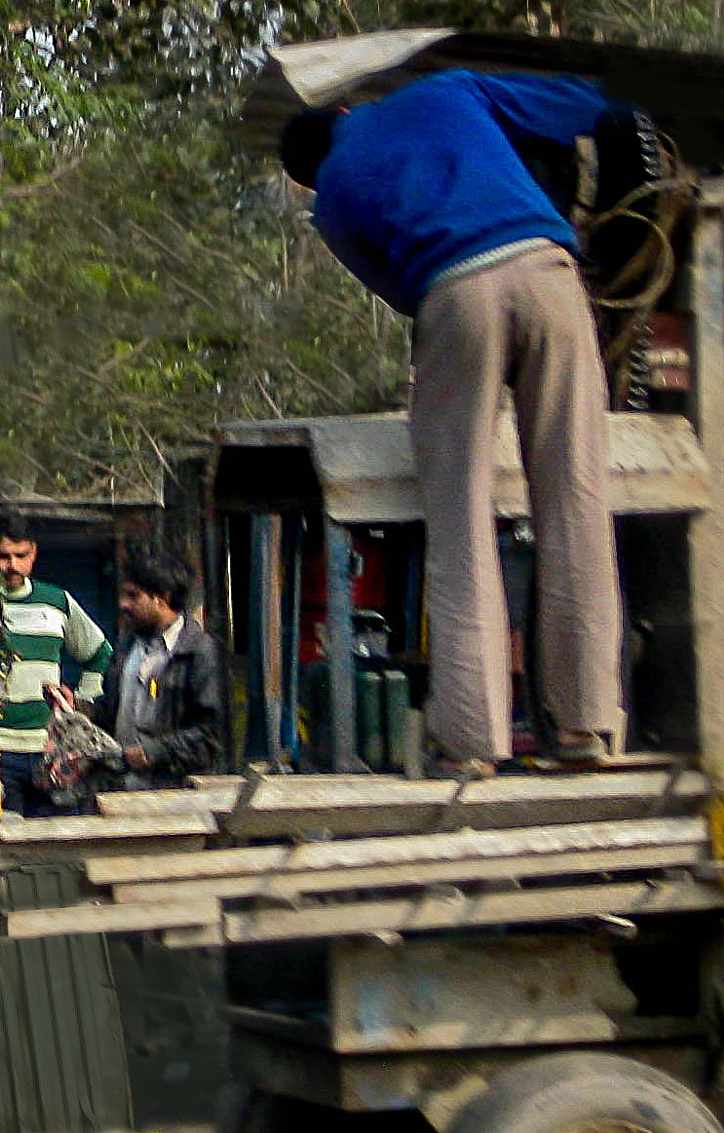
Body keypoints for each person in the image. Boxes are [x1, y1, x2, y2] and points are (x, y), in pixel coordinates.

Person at [280, 71, 630, 773]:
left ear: (309, 178)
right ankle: (587, 725)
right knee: (576, 503)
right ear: (349, 108)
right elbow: (587, 105)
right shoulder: (449, 91)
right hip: (551, 276)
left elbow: (395, 289)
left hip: (452, 293)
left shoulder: (334, 198)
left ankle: (472, 741)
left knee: (460, 518)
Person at [0, 510, 114, 816]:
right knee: (5, 847)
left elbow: (100, 654)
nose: (13, 565)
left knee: (60, 844)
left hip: (51, 750)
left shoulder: (57, 602)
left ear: (34, 553)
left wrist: (81, 701)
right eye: (3, 556)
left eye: (21, 555)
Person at [69, 549, 224, 788]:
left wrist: (152, 753)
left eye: (133, 596)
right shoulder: (129, 648)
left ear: (161, 598)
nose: (123, 604)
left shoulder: (199, 652)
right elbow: (113, 712)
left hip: (175, 792)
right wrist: (78, 708)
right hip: (120, 786)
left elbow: (209, 736)